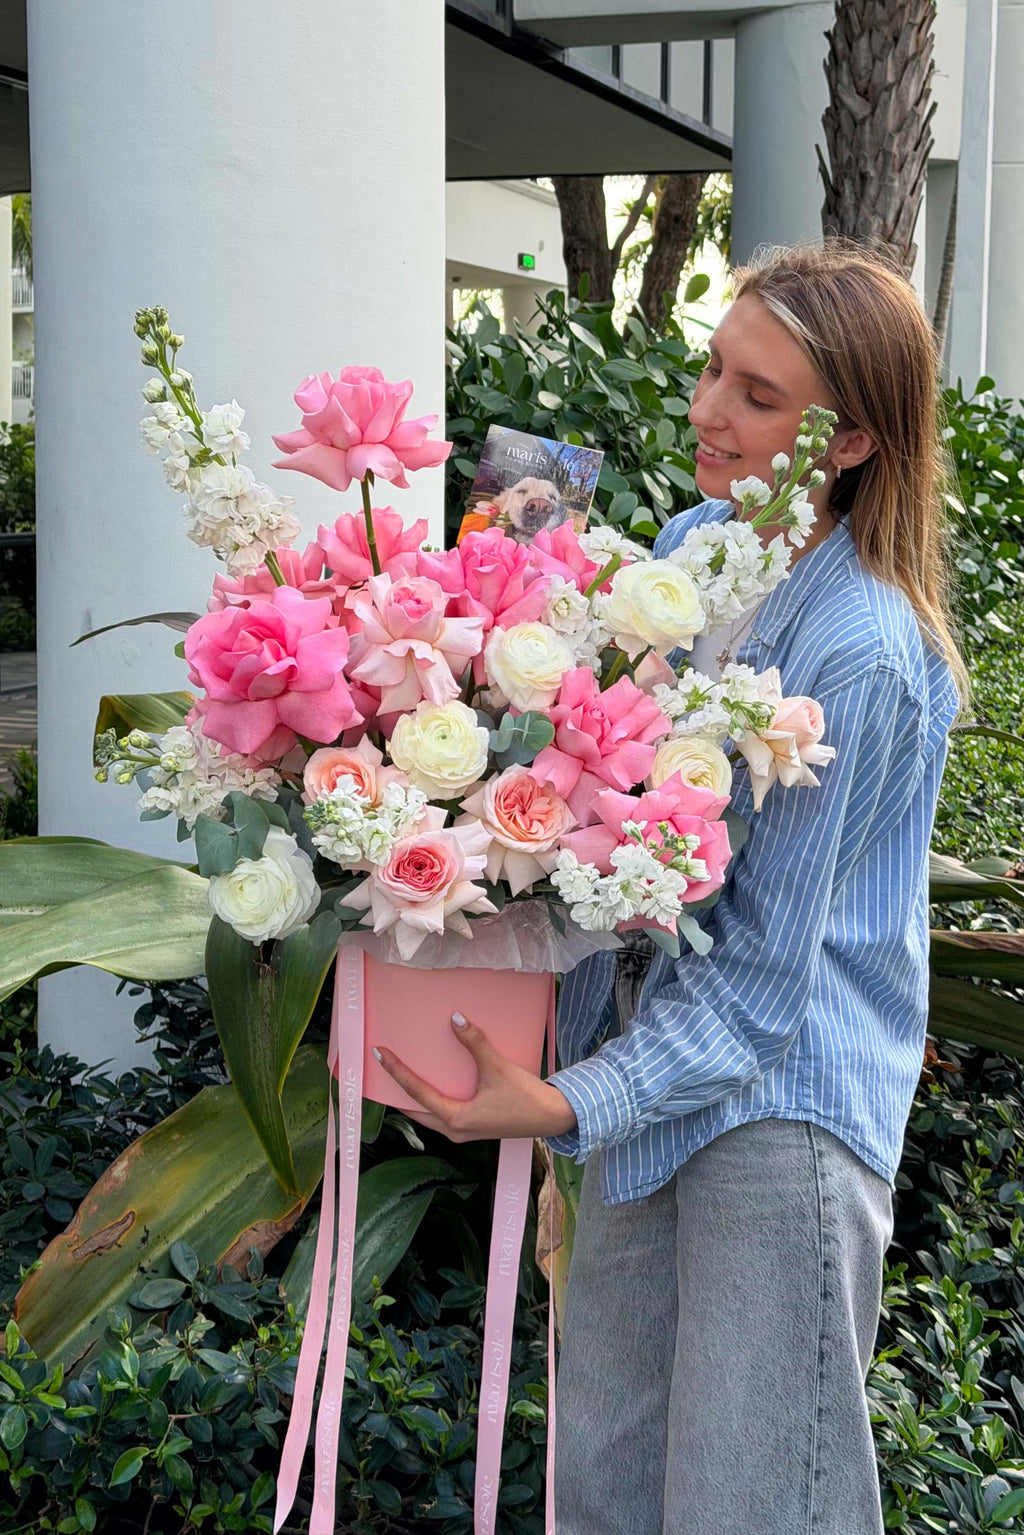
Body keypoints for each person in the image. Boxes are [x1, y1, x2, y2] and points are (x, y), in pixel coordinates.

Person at [373, 240, 967, 1535]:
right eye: (714, 371)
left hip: (782, 1116)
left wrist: (563, 1104)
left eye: (759, 397)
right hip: (650, 1088)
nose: (707, 411)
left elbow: (760, 993)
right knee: (604, 1490)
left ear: (853, 439)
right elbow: (610, 803)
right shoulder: (697, 550)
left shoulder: (860, 647)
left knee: (753, 1507)